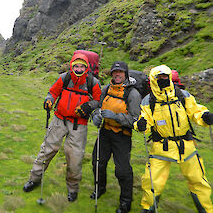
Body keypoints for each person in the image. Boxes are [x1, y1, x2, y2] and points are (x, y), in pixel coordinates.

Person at [23, 53, 101, 202]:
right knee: (47, 150)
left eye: (82, 66)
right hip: (59, 120)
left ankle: (73, 189)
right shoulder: (64, 78)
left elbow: (98, 101)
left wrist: (88, 105)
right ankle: (34, 179)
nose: (79, 69)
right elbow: (53, 92)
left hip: (79, 125)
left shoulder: (93, 82)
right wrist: (49, 100)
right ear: (72, 66)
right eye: (76, 66)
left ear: (86, 67)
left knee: (75, 157)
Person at [134, 64, 213, 213]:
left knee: (198, 180)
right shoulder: (148, 101)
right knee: (152, 182)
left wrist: (205, 116)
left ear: (169, 77)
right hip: (160, 148)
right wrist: (141, 125)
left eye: (165, 76)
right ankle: (148, 208)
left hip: (186, 146)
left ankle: (207, 210)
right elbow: (144, 121)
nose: (162, 79)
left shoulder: (182, 95)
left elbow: (195, 111)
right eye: (159, 77)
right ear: (153, 79)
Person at [91, 61, 142, 213]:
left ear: (125, 74)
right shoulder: (106, 89)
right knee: (98, 163)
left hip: (122, 136)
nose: (117, 74)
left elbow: (135, 120)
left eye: (120, 72)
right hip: (105, 133)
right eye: (114, 72)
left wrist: (116, 117)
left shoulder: (133, 94)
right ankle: (100, 188)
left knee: (122, 170)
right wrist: (95, 116)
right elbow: (97, 107)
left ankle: (126, 202)